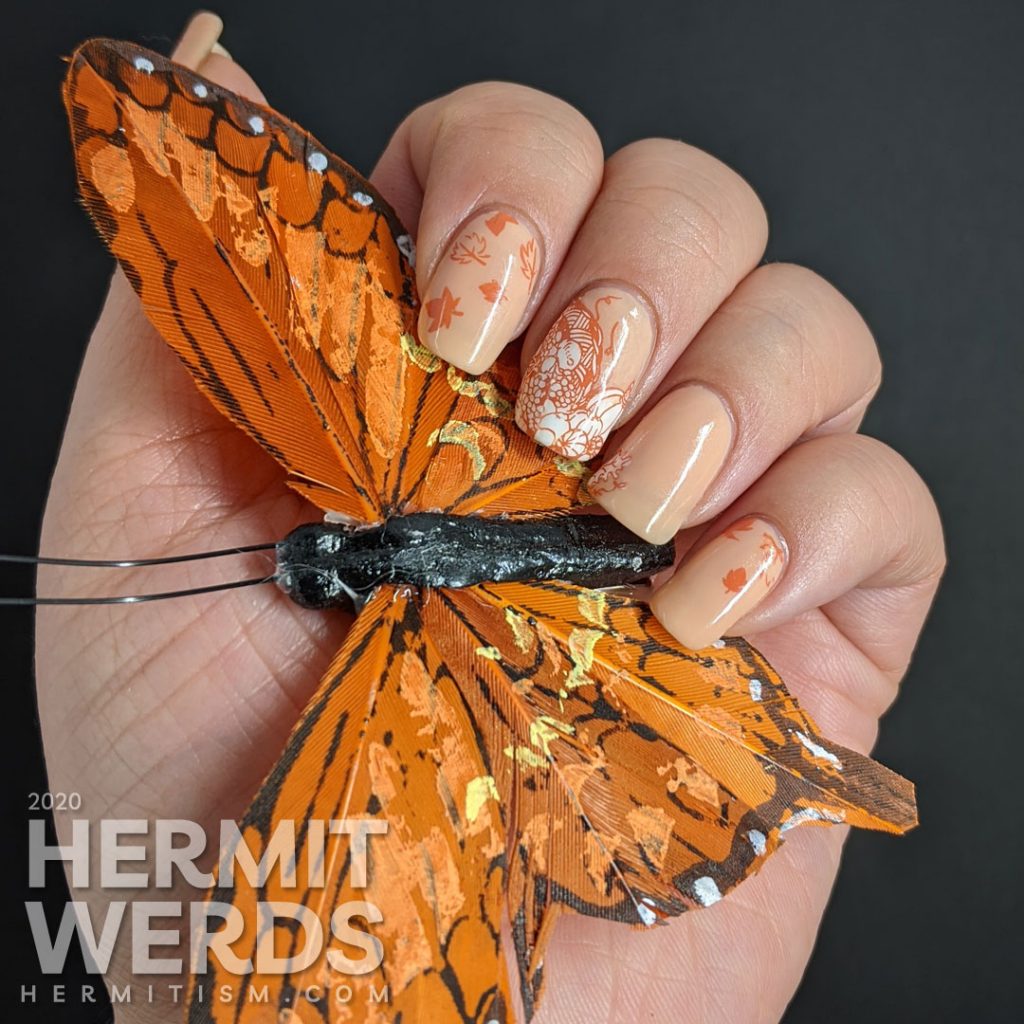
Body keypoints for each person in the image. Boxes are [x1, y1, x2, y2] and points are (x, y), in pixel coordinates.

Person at [36, 12, 944, 1023]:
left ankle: (800, 767)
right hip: (506, 492)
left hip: (558, 531)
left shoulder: (356, 564)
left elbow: (203, 174)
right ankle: (795, 767)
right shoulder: (356, 479)